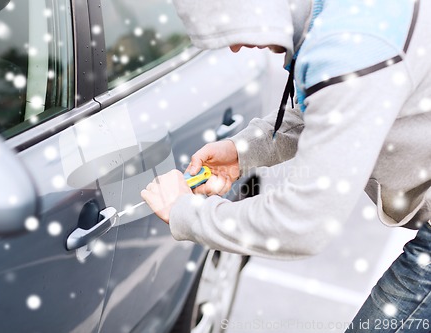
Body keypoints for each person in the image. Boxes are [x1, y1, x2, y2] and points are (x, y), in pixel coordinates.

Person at [140, 0, 431, 331]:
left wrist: (185, 213)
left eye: (230, 29)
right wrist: (242, 150)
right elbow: (330, 112)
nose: (235, 47)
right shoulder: (338, 17)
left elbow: (303, 223)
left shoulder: (354, 50)